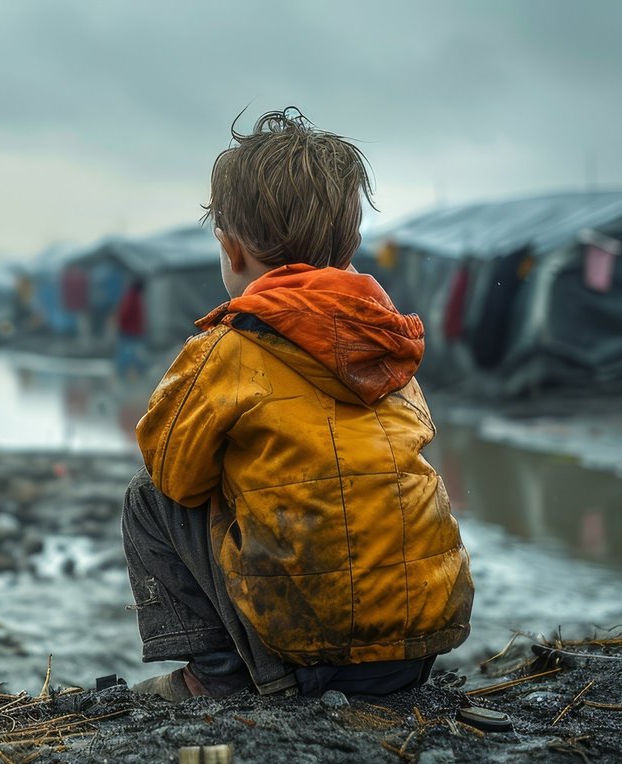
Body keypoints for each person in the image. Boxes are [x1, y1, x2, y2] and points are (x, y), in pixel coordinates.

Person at [125, 108, 473, 701]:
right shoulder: (388, 345)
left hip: (304, 647)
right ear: (353, 245)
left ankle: (218, 674)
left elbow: (175, 475)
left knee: (148, 496)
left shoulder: (228, 349)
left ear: (232, 252)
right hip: (416, 646)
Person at [113, 278, 148, 379]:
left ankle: (124, 371)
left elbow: (124, 313)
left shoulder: (131, 296)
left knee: (128, 352)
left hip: (129, 330)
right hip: (131, 330)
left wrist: (120, 324)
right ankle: (131, 371)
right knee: (131, 352)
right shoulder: (134, 297)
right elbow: (127, 313)